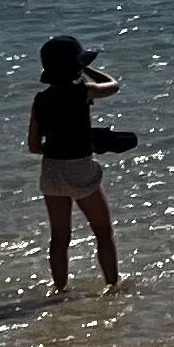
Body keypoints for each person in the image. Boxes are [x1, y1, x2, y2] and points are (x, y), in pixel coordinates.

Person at [25, 35, 130, 291]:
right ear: (76, 67)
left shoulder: (41, 100)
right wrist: (88, 68)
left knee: (59, 238)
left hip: (52, 171)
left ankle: (59, 290)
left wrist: (57, 146)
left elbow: (34, 145)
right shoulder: (82, 92)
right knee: (103, 232)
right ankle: (112, 286)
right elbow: (113, 85)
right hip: (81, 167)